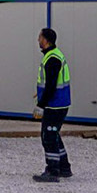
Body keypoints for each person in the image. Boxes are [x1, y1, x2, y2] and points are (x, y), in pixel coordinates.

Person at [32, 27, 74, 183]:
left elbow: (51, 85)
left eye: (40, 37)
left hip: (55, 105)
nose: (38, 40)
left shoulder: (52, 59)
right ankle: (64, 168)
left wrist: (41, 105)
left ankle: (53, 171)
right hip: (58, 103)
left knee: (48, 137)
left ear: (46, 40)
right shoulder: (53, 56)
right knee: (54, 134)